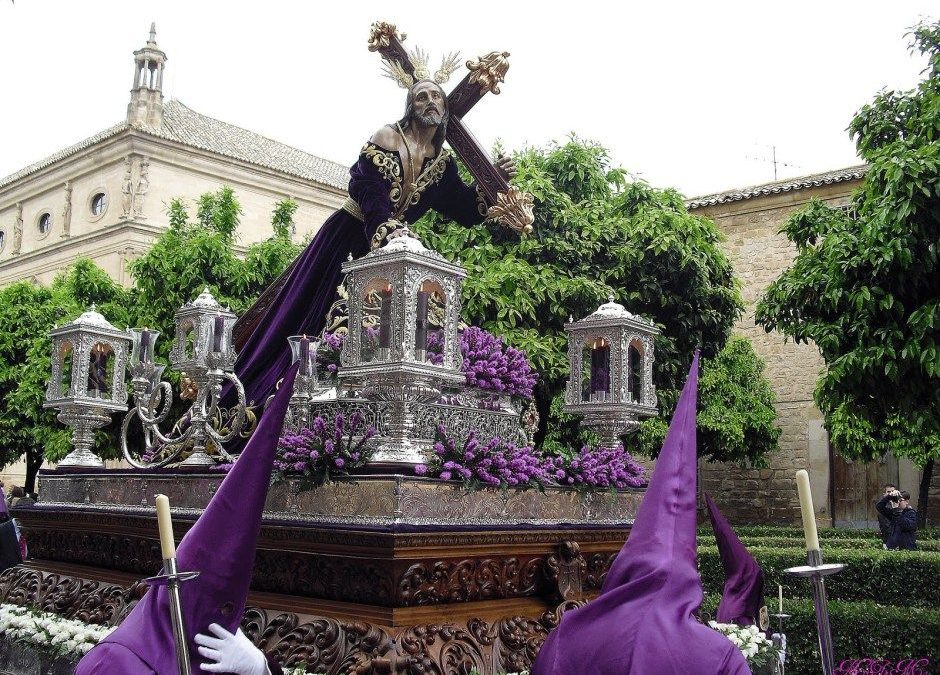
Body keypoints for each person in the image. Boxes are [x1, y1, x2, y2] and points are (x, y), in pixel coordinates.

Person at [231, 79, 516, 411]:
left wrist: (490, 181)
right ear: (411, 106)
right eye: (421, 96)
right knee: (315, 312)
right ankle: (295, 390)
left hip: (395, 248)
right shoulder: (387, 138)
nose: (430, 102)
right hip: (349, 238)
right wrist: (387, 231)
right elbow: (368, 192)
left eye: (436, 96)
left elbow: (463, 209)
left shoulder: (442, 164)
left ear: (445, 108)